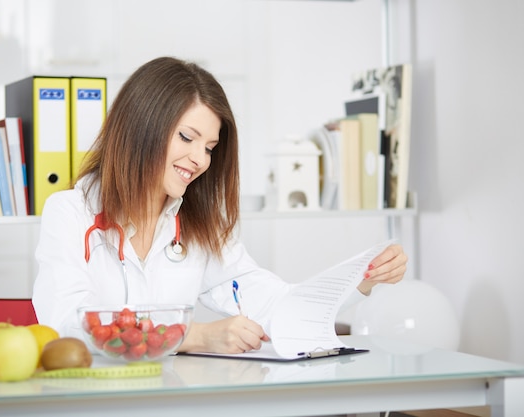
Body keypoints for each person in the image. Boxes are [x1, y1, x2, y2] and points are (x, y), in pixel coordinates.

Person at [32, 56, 408, 354]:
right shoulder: (69, 213)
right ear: (140, 127)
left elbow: (278, 304)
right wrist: (190, 336)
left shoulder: (195, 227)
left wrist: (359, 280)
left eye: (210, 148)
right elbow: (68, 327)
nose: (200, 159)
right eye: (187, 137)